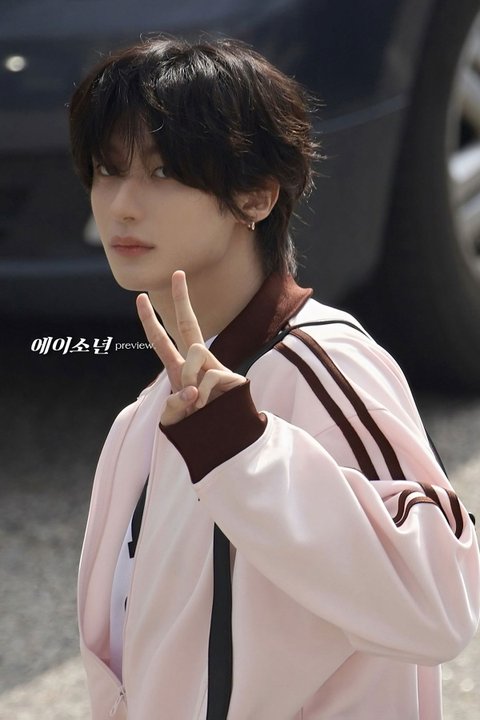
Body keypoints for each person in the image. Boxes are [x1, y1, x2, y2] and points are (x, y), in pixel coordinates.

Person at [69, 36, 479, 720]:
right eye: (108, 170)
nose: (122, 205)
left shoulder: (323, 366)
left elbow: (440, 606)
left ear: (257, 194)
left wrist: (246, 452)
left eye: (164, 171)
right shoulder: (144, 419)